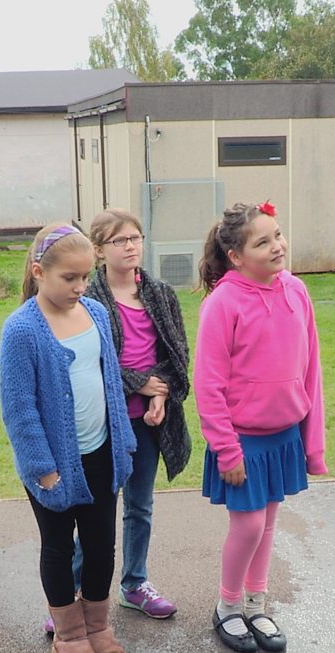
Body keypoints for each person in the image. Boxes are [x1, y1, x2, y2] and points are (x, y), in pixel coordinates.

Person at [0, 223, 136, 653]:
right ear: (39, 272)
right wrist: (43, 468)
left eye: (85, 276)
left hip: (101, 453)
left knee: (101, 545)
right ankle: (70, 635)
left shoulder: (95, 313)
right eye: (69, 278)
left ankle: (97, 627)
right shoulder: (22, 329)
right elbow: (18, 408)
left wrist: (123, 442)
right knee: (58, 547)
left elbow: (110, 382)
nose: (80, 286)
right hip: (53, 464)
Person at [195, 201, 327, 653]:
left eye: (278, 235)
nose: (277, 246)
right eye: (263, 241)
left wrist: (312, 444)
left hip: (283, 437)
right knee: (249, 526)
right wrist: (226, 450)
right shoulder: (222, 303)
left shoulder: (297, 291)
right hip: (242, 442)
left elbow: (310, 370)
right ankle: (228, 606)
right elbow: (208, 384)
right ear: (236, 256)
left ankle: (256, 604)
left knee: (268, 524)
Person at [80, 208, 192, 619]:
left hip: (148, 422)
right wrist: (137, 383)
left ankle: (135, 583)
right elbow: (90, 361)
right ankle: (72, 594)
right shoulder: (88, 298)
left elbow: (177, 354)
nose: (130, 246)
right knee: (95, 510)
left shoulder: (160, 293)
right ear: (98, 250)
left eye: (135, 238)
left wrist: (159, 395)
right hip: (103, 422)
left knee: (140, 506)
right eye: (120, 240)